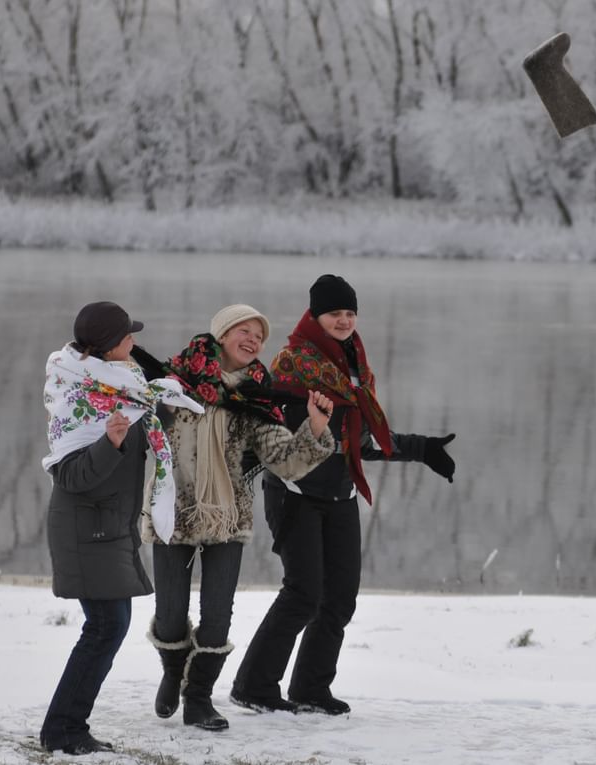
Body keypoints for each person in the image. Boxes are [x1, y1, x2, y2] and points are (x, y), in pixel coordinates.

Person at [229, 275, 456, 716]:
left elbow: (360, 441)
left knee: (340, 598)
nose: (345, 321)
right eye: (336, 313)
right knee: (303, 593)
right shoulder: (294, 365)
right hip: (295, 493)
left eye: (350, 314)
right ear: (316, 316)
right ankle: (253, 686)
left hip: (340, 494)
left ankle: (310, 688)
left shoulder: (353, 367)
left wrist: (422, 448)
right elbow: (280, 440)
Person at [140, 304, 335, 732]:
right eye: (244, 331)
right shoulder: (174, 380)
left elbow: (285, 462)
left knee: (218, 616)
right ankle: (175, 672)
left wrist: (316, 429)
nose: (253, 341)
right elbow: (143, 430)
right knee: (170, 616)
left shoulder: (256, 397)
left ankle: (198, 698)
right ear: (222, 334)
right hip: (174, 511)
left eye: (259, 336)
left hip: (228, 517)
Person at [40, 301, 203, 755]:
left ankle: (67, 727)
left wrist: (160, 404)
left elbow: (141, 427)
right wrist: (109, 444)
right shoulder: (77, 394)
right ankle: (62, 730)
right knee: (106, 627)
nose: (135, 342)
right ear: (112, 346)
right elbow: (72, 476)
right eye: (128, 337)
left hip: (107, 526)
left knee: (106, 627)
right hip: (85, 527)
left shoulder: (119, 387)